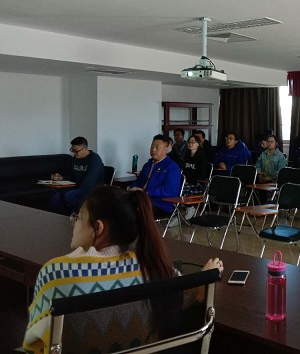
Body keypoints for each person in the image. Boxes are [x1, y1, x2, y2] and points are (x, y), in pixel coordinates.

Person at [23, 186, 224, 354]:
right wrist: (206, 276)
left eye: (79, 217)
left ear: (98, 228)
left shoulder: (56, 273)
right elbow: (186, 294)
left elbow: (33, 344)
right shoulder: (153, 267)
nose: (74, 223)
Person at [130, 134, 182, 218]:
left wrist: (146, 192)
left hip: (161, 204)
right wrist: (133, 188)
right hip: (143, 199)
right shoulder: (148, 164)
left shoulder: (172, 167)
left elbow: (169, 191)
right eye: (152, 146)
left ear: (166, 148)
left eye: (157, 147)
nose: (153, 150)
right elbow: (138, 181)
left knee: (131, 211)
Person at [50, 136, 104, 215]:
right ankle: (65, 217)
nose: (74, 153)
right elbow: (72, 176)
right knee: (55, 197)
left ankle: (83, 216)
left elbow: (89, 182)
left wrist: (74, 189)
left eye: (76, 151)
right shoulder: (74, 159)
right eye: (72, 150)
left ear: (85, 148)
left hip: (92, 189)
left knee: (69, 195)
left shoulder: (95, 159)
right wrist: (61, 178)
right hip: (78, 188)